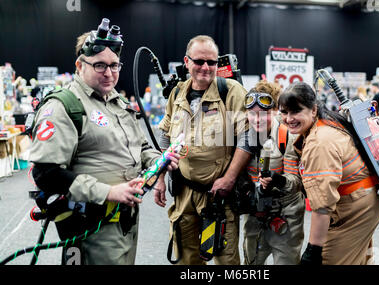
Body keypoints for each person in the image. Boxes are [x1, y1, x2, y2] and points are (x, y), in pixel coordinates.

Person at [28, 19, 179, 265]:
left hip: (125, 222)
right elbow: (47, 174)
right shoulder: (64, 106)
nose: (109, 73)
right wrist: (109, 192)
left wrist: (160, 160)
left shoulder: (117, 102)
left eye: (114, 65)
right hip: (90, 226)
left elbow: (139, 148)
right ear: (80, 65)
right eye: (99, 65)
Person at [156, 35, 250, 265]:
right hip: (183, 193)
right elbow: (165, 134)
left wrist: (229, 179)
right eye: (199, 61)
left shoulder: (231, 91)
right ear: (186, 62)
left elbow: (248, 138)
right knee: (188, 258)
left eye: (212, 62)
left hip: (218, 196)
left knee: (225, 261)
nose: (206, 67)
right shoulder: (177, 94)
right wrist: (159, 178)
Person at [278, 82, 379, 265]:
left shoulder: (320, 142)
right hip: (363, 202)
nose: (289, 118)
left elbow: (322, 205)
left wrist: (313, 250)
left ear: (313, 110)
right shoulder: (325, 122)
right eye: (284, 112)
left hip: (354, 209)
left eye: (296, 111)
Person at [241, 80, 305, 265]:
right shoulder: (241, 135)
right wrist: (245, 186)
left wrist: (278, 180)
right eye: (252, 113)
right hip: (255, 210)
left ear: (275, 112)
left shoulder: (288, 136)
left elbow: (295, 180)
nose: (257, 119)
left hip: (286, 210)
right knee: (251, 263)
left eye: (264, 114)